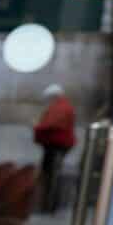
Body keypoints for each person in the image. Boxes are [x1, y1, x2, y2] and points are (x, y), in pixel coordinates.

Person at [35, 84, 77, 213]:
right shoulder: (60, 106)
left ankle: (49, 206)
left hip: (56, 145)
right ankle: (48, 204)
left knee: (52, 175)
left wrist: (37, 127)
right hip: (56, 144)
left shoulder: (61, 107)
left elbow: (51, 123)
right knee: (50, 174)